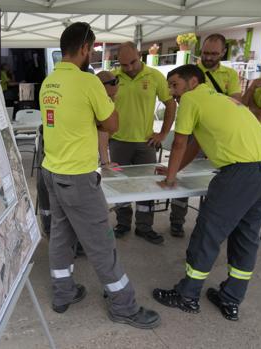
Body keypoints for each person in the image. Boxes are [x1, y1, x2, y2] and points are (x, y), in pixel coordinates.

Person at [40, 22, 160, 328]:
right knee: (101, 244)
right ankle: (124, 306)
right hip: (78, 177)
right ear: (84, 49)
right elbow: (111, 125)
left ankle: (63, 293)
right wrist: (110, 100)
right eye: (92, 49)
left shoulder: (49, 83)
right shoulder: (89, 83)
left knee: (61, 235)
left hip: (52, 172)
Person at [152, 64, 261, 321]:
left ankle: (187, 296)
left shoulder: (191, 99)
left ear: (192, 83)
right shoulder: (223, 100)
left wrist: (169, 180)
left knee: (207, 234)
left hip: (239, 175)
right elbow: (195, 141)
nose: (172, 92)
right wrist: (173, 170)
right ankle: (231, 298)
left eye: (175, 85)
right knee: (246, 235)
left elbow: (179, 141)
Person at [168, 33, 244, 238]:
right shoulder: (190, 74)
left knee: (216, 185)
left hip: (220, 141)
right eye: (205, 53)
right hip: (197, 134)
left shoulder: (227, 76)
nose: (209, 57)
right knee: (182, 179)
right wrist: (173, 172)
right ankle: (178, 220)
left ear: (223, 52)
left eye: (213, 53)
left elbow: (236, 101)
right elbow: (185, 144)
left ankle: (209, 221)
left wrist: (169, 176)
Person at [104, 42, 177, 244]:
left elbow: (170, 103)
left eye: (132, 62)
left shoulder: (154, 76)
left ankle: (144, 227)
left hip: (145, 144)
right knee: (121, 186)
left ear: (140, 55)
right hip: (118, 143)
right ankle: (123, 223)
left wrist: (162, 134)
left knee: (148, 187)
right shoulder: (112, 77)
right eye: (124, 64)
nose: (128, 68)